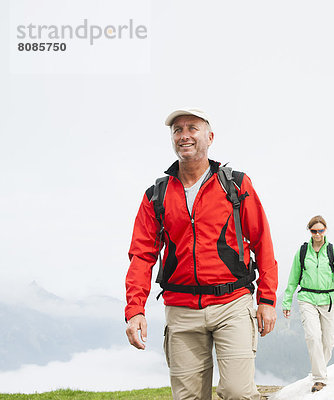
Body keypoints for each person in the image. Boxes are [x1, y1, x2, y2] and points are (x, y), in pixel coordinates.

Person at [125, 108, 278, 400]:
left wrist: (267, 300)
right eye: (177, 130)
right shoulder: (156, 194)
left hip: (232, 303)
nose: (184, 135)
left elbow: (262, 242)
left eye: (192, 128)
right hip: (181, 309)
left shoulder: (235, 185)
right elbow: (142, 256)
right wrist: (135, 310)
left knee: (237, 393)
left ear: (209, 137)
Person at [281, 215, 334, 393]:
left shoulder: (332, 251)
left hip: (328, 299)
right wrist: (287, 302)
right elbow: (293, 278)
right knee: (313, 337)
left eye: (321, 230)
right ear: (309, 231)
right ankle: (319, 378)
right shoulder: (303, 252)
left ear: (325, 230)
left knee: (329, 341)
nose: (318, 234)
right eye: (314, 231)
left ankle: (318, 369)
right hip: (307, 299)